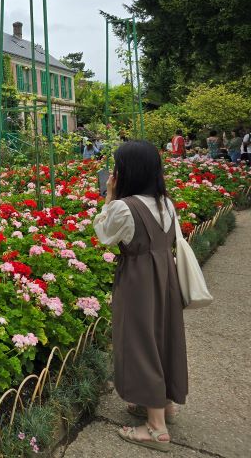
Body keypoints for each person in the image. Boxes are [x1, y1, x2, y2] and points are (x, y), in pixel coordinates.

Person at [93, 141, 187, 452]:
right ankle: (163, 405)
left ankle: (156, 428)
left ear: (127, 171)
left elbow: (104, 236)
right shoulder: (165, 203)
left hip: (137, 280)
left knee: (139, 342)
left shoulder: (125, 207)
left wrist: (108, 197)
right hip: (165, 276)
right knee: (163, 336)